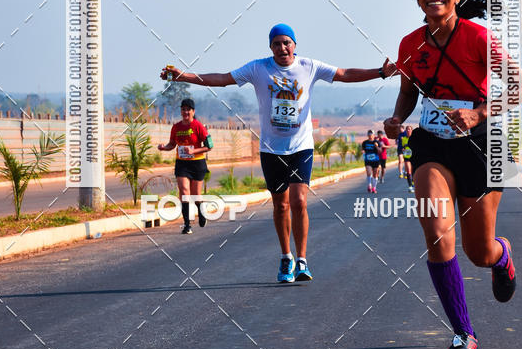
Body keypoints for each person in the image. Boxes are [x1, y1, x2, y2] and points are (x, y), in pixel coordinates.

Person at [162, 23, 397, 282]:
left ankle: (303, 260)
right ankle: (286, 257)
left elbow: (344, 73)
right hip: (271, 149)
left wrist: (380, 72)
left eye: (287, 42)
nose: (282, 47)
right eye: (277, 43)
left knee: (299, 201)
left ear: (295, 44)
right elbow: (222, 79)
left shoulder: (309, 67)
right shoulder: (258, 68)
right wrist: (185, 77)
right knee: (281, 205)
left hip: (301, 147)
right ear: (270, 47)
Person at [384, 0, 522, 349]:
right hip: (432, 143)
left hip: (482, 144)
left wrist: (479, 112)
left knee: (478, 251)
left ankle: (502, 256)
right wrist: (398, 118)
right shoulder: (409, 44)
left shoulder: (478, 38)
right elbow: (408, 93)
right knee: (436, 231)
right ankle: (463, 333)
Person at [157, 98, 211, 234]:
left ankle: (200, 210)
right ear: (181, 111)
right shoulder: (176, 127)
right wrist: (164, 147)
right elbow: (172, 144)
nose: (185, 112)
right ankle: (187, 225)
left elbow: (209, 147)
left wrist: (193, 151)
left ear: (193, 111)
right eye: (183, 109)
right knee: (184, 191)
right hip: (182, 163)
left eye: (188, 109)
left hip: (197, 163)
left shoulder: (199, 127)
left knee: (195, 195)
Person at [402, 125, 414, 191]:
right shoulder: (404, 139)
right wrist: (403, 149)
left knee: (413, 171)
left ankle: (413, 182)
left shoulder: (415, 138)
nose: (408, 130)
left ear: (412, 130)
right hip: (407, 156)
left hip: (414, 157)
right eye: (407, 129)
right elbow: (403, 147)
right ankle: (410, 186)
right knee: (408, 171)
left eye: (409, 129)